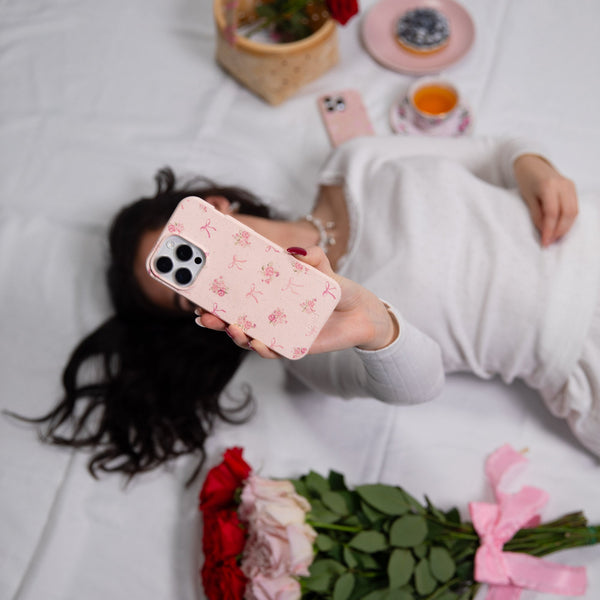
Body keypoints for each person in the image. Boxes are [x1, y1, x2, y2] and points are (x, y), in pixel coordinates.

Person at [18, 135, 599, 483]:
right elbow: (420, 384)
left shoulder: (353, 161)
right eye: (184, 290)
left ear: (211, 207)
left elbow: (491, 152)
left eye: (188, 250)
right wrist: (376, 325)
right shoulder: (307, 345)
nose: (202, 276)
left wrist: (531, 164)